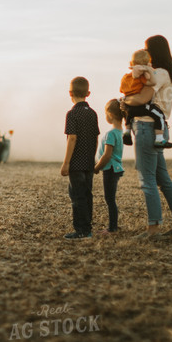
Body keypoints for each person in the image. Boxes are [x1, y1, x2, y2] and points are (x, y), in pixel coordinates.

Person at [122, 35, 172, 239]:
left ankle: (154, 228)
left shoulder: (157, 73)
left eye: (146, 48)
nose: (145, 52)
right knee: (162, 178)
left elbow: (142, 98)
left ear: (154, 51)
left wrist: (124, 100)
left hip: (146, 127)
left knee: (147, 178)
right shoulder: (167, 73)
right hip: (158, 127)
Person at [60, 76, 100, 240]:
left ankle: (81, 230)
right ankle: (87, 228)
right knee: (87, 194)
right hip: (89, 162)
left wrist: (66, 163)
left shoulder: (72, 114)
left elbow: (72, 138)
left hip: (76, 163)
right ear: (88, 93)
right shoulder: (93, 114)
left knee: (77, 196)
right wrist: (92, 157)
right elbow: (96, 138)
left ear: (70, 93)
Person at [119, 49, 171, 148]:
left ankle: (127, 133)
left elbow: (121, 90)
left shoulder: (125, 78)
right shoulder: (141, 78)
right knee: (159, 115)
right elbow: (152, 83)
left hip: (130, 107)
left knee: (128, 116)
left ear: (131, 63)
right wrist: (149, 71)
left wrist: (126, 98)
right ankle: (159, 139)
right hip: (142, 108)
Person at [93, 99, 124, 234]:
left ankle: (112, 228)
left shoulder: (110, 134)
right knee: (111, 198)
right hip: (116, 169)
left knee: (109, 199)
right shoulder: (120, 132)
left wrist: (96, 168)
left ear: (110, 114)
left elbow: (106, 155)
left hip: (110, 169)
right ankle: (114, 225)